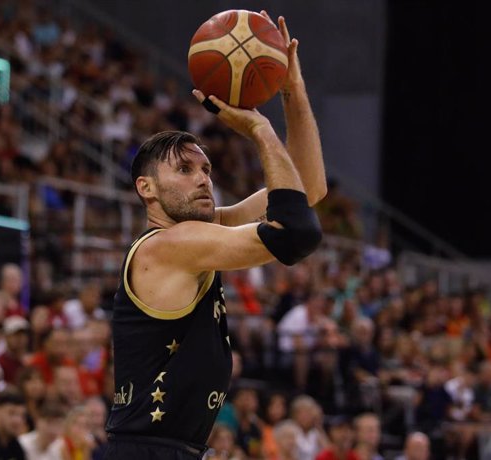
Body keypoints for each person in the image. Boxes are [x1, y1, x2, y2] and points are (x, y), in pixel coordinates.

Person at [105, 13, 326, 459]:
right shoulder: (170, 245)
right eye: (184, 170)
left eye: (206, 169)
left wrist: (291, 90)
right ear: (145, 189)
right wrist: (260, 130)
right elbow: (295, 233)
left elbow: (308, 189)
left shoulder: (204, 235)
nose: (203, 178)